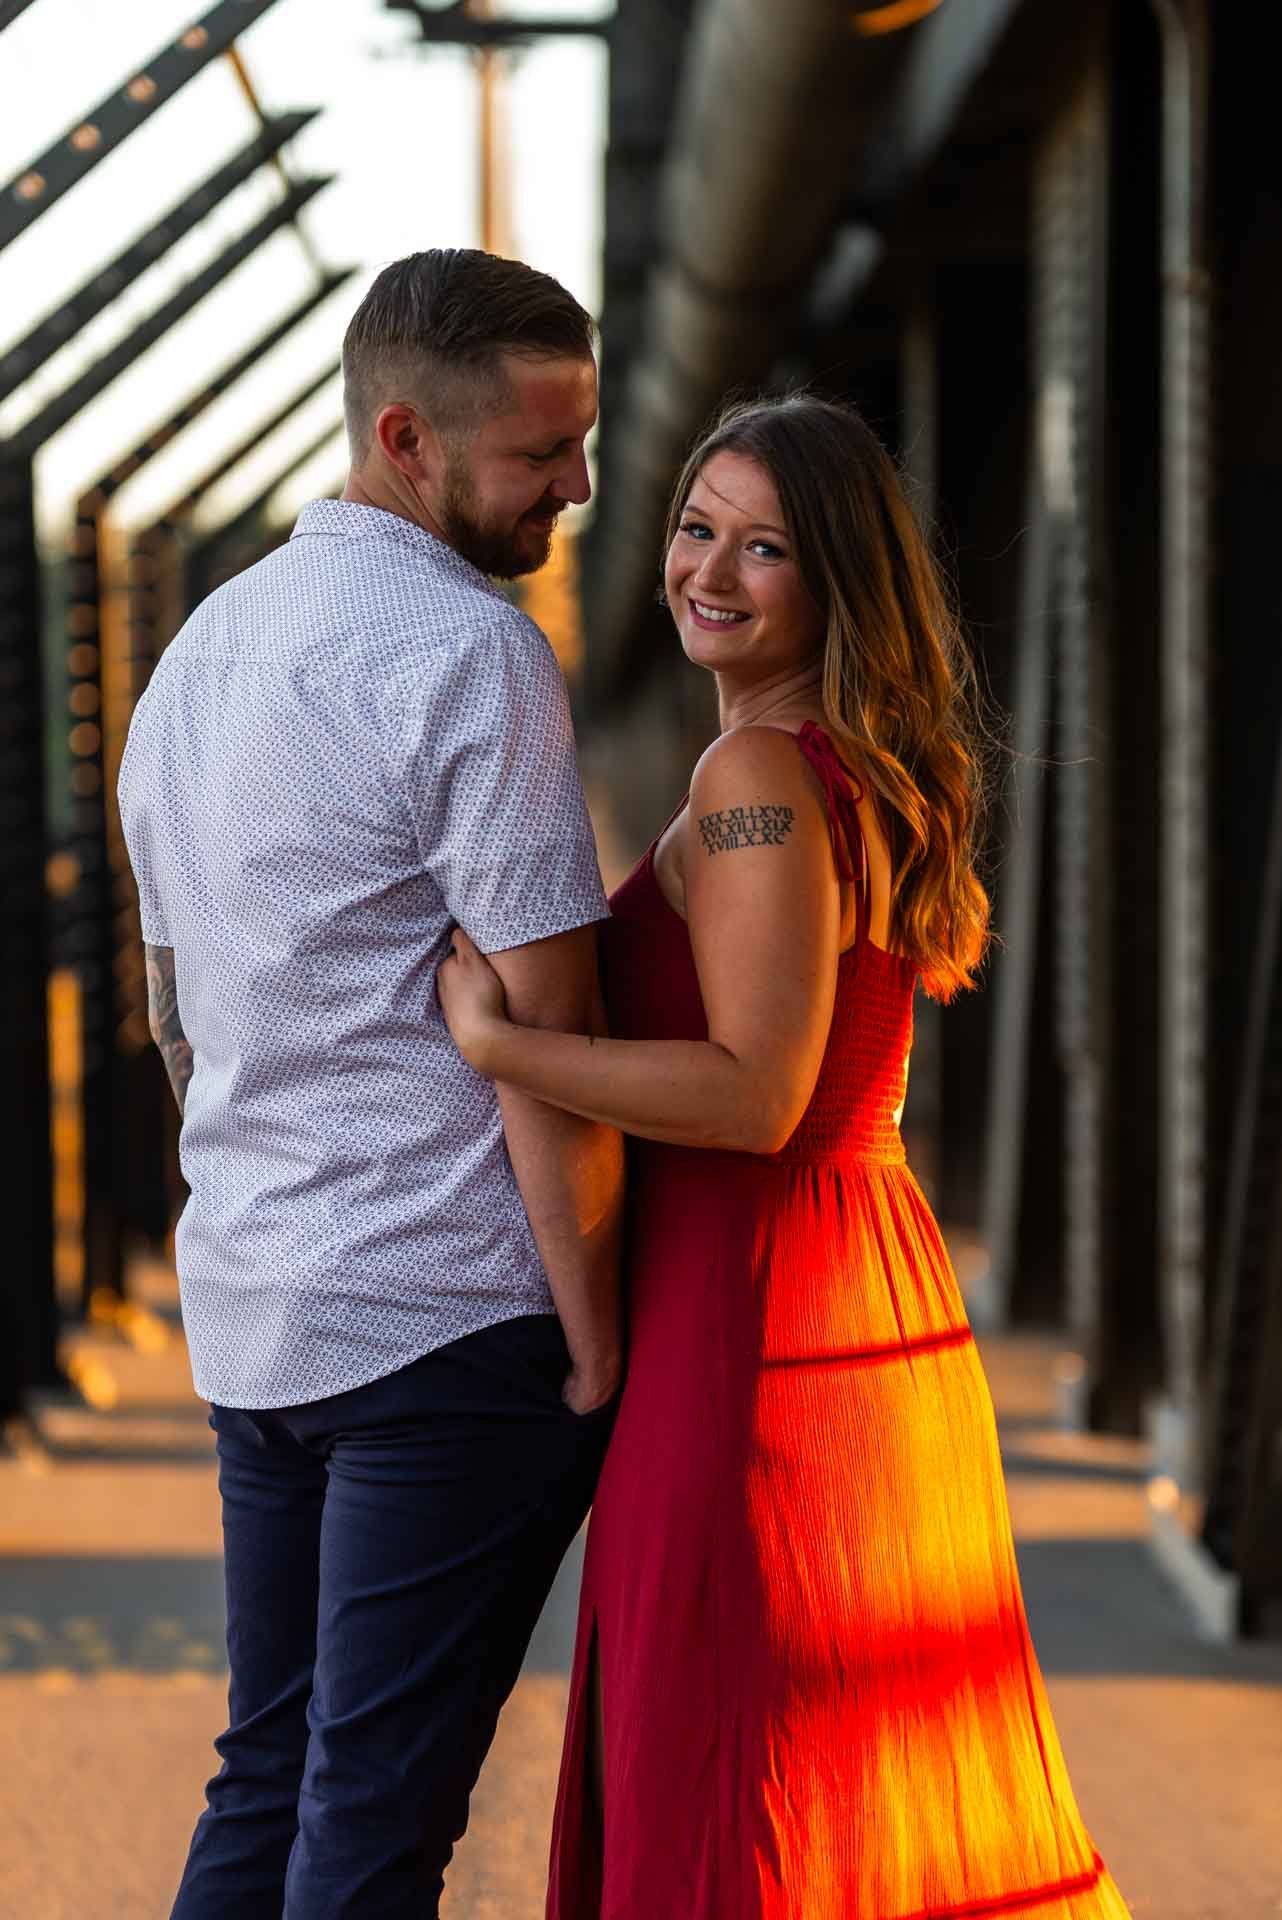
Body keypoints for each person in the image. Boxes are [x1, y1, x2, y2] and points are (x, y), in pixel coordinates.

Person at [438, 393, 1131, 1919]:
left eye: (766, 549)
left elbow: (755, 1096)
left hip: (757, 1318)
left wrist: (501, 1048)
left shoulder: (755, 782)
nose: (710, 572)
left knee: (734, 1771)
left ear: (837, 583)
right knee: (820, 1784)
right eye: (696, 528)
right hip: (850, 1293)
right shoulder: (841, 763)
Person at [117, 249, 625, 1920]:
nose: (575, 486)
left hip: (260, 1308)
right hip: (448, 1317)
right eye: (537, 456)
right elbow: (553, 1039)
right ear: (405, 438)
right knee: (375, 1820)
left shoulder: (202, 649)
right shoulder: (469, 654)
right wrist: (596, 1331)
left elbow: (173, 1008)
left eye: (582, 443)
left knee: (273, 1773)